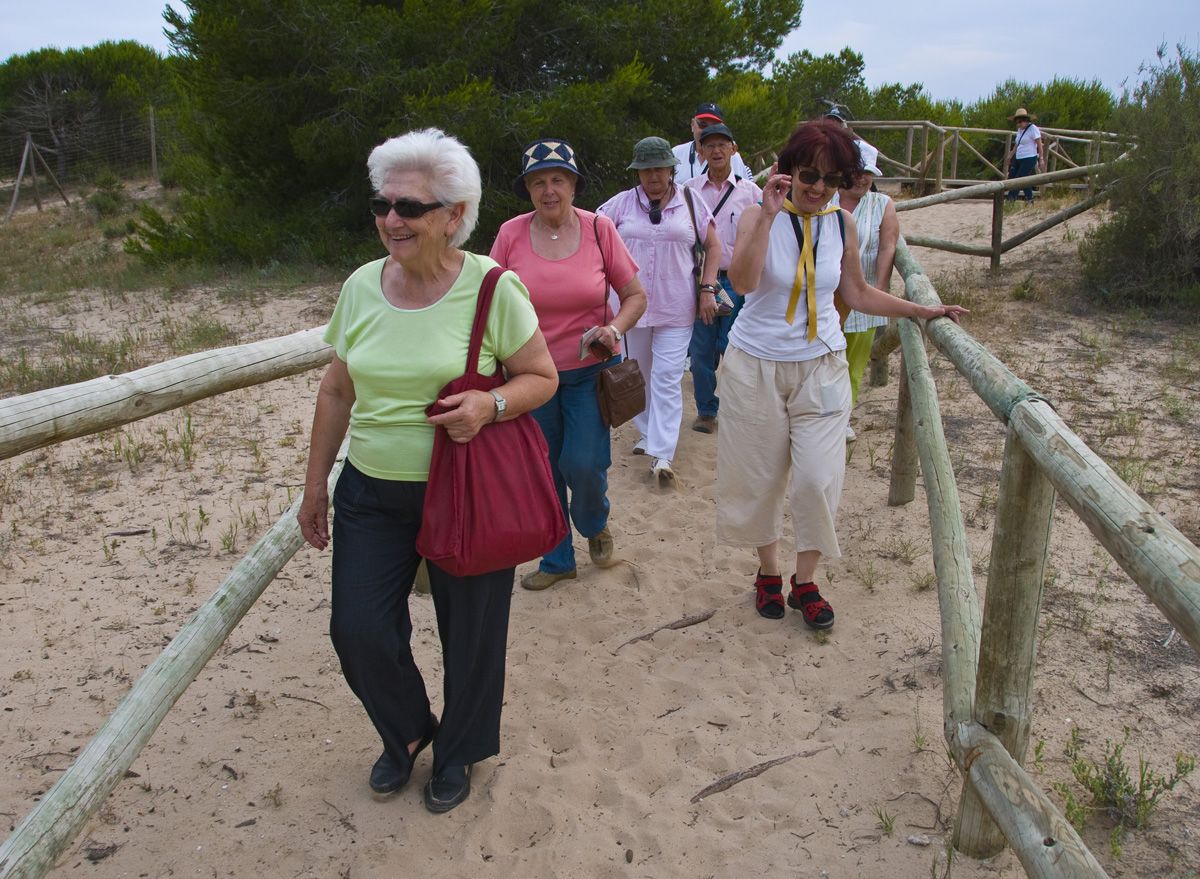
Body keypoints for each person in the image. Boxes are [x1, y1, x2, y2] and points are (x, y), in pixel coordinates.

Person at [297, 128, 557, 814]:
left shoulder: (493, 287)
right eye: (382, 205)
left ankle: (460, 750)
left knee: (471, 635)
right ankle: (410, 730)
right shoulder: (361, 286)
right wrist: (315, 485)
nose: (392, 219)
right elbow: (337, 390)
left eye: (409, 207)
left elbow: (542, 376)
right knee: (357, 628)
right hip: (370, 491)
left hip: (468, 491)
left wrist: (490, 404)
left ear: (453, 215)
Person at [720, 119, 967, 628]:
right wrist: (768, 217)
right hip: (756, 364)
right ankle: (769, 571)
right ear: (787, 171)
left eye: (832, 180)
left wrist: (921, 310)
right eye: (809, 175)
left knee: (817, 478)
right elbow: (741, 283)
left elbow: (855, 292)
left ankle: (805, 579)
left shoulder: (842, 224)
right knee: (761, 478)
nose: (819, 188)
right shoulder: (755, 216)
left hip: (822, 364)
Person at [490, 138, 647, 591]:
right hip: (530, 376)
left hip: (589, 373)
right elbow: (487, 300)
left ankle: (594, 522)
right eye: (538, 182)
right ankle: (557, 559)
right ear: (528, 190)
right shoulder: (510, 234)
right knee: (542, 469)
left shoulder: (600, 229)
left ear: (574, 185)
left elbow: (635, 297)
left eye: (558, 179)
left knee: (583, 464)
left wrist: (613, 329)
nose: (549, 190)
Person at [598, 136, 721, 486]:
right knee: (639, 373)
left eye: (660, 169)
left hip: (676, 304)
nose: (653, 176)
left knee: (667, 375)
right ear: (637, 172)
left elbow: (713, 246)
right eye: (646, 169)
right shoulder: (620, 204)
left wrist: (707, 288)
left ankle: (662, 453)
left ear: (671, 169)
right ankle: (648, 433)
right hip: (630, 306)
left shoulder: (690, 201)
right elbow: (594, 239)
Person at [682, 122, 763, 434]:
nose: (716, 151)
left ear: (733, 149)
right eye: (709, 145)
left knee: (733, 346)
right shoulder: (687, 191)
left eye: (722, 145)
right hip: (699, 281)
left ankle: (734, 407)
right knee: (701, 349)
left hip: (736, 282)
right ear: (700, 151)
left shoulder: (750, 192)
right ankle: (706, 411)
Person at [833, 140, 899, 436]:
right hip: (825, 295)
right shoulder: (826, 198)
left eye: (868, 173)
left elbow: (887, 247)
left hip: (863, 293)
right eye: (857, 171)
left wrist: (880, 288)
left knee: (854, 362)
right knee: (822, 358)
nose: (862, 178)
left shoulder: (881, 204)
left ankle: (842, 419)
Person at [673, 102, 753, 184]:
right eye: (703, 124)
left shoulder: (733, 157)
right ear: (692, 124)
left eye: (715, 126)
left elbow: (744, 188)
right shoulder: (676, 154)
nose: (708, 130)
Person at [1003, 108, 1046, 203]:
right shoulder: (1019, 130)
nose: (1018, 124)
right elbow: (1017, 144)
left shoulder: (1033, 128)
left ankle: (1011, 199)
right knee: (1013, 176)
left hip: (1029, 157)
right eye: (1017, 122)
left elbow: (1039, 144)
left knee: (1020, 177)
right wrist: (1010, 155)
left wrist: (1041, 158)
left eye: (1020, 122)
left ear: (1026, 120)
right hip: (1018, 157)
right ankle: (1029, 198)